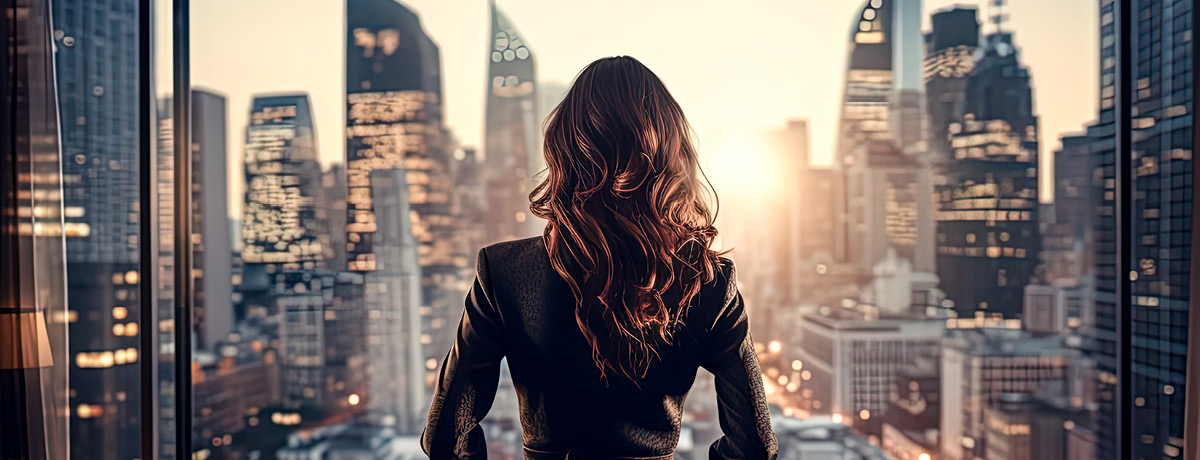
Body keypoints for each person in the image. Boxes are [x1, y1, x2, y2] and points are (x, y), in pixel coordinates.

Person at [422, 56, 777, 460]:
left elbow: (446, 438)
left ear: (562, 150)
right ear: (670, 156)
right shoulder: (708, 278)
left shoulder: (502, 271)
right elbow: (754, 445)